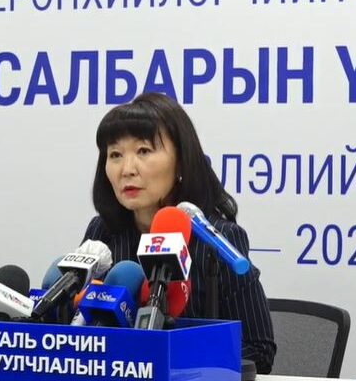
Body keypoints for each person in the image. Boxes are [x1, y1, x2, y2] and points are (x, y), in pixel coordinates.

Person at [82, 92, 276, 373]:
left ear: (182, 162)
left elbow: (259, 349)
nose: (127, 169)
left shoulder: (216, 240)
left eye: (143, 151)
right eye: (115, 155)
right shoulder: (104, 234)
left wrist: (166, 361)